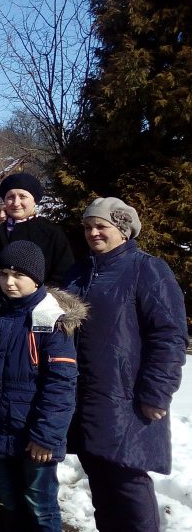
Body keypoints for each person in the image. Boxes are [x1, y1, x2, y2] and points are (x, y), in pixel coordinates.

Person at [65, 198, 188, 532]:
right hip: (83, 395)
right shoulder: (79, 271)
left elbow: (169, 335)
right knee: (99, 479)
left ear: (123, 230)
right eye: (88, 227)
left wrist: (157, 392)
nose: (93, 233)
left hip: (127, 396)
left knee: (128, 481)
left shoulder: (147, 269)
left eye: (101, 226)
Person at [0, 241, 84, 532]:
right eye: (4, 274)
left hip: (33, 435)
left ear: (36, 278)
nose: (9, 282)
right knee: (10, 499)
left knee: (41, 505)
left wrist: (46, 437)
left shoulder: (50, 321)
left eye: (18, 275)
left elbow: (61, 385)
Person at [0, 174, 74, 297]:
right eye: (10, 197)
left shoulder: (51, 234)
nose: (16, 203)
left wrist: (42, 298)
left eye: (22, 197)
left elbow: (64, 274)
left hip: (39, 304)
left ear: (34, 200)